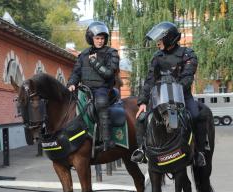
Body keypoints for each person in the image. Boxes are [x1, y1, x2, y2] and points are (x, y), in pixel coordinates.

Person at [130, 22, 207, 167]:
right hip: (160, 98)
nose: (157, 43)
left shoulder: (188, 54)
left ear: (169, 39)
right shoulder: (157, 56)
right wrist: (142, 102)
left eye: (159, 39)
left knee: (197, 116)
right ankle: (142, 151)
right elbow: (150, 80)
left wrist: (174, 89)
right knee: (141, 118)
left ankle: (199, 152)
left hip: (182, 96)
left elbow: (187, 78)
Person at [67, 21, 120, 151]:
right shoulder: (83, 54)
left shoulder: (111, 53)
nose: (100, 41)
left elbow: (109, 74)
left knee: (101, 102)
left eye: (102, 38)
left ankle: (107, 140)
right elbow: (76, 72)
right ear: (91, 38)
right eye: (97, 38)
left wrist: (94, 62)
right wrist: (72, 83)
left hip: (102, 88)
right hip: (85, 89)